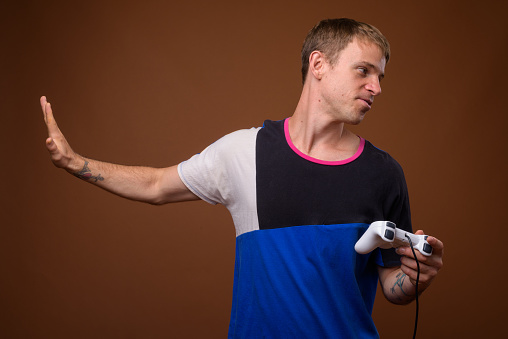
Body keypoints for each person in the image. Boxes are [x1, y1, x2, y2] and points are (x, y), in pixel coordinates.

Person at [41, 18, 444, 338]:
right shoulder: (243, 152)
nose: (375, 87)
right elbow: (155, 186)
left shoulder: (384, 174)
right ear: (319, 65)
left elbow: (393, 286)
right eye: (364, 71)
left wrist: (414, 279)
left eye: (380, 77)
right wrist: (75, 162)